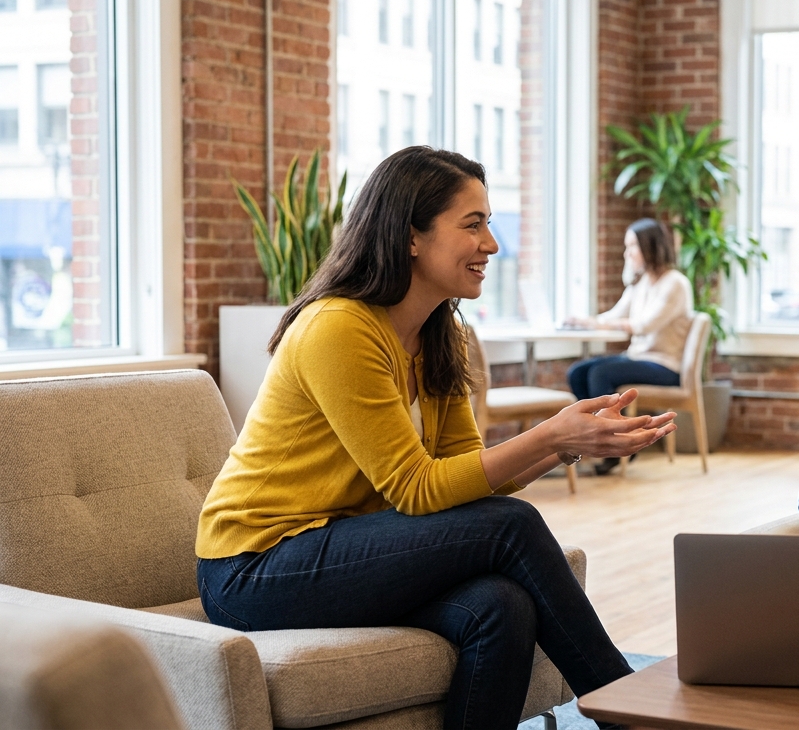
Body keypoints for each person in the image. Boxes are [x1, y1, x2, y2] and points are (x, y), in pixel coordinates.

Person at [196, 147, 670, 730]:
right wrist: (548, 435)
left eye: (489, 223)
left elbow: (462, 472)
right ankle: (634, 715)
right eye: (473, 224)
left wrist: (567, 444)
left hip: (339, 542)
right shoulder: (339, 327)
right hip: (255, 564)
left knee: (501, 606)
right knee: (511, 524)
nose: (491, 244)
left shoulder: (439, 332)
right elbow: (416, 489)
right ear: (410, 236)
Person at [565, 218, 694, 475]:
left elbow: (644, 325)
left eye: (632, 246)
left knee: (601, 373)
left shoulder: (675, 283)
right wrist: (585, 322)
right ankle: (598, 440)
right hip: (637, 358)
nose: (628, 253)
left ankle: (617, 444)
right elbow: (614, 315)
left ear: (650, 246)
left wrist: (607, 325)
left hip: (664, 365)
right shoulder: (641, 282)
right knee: (578, 372)